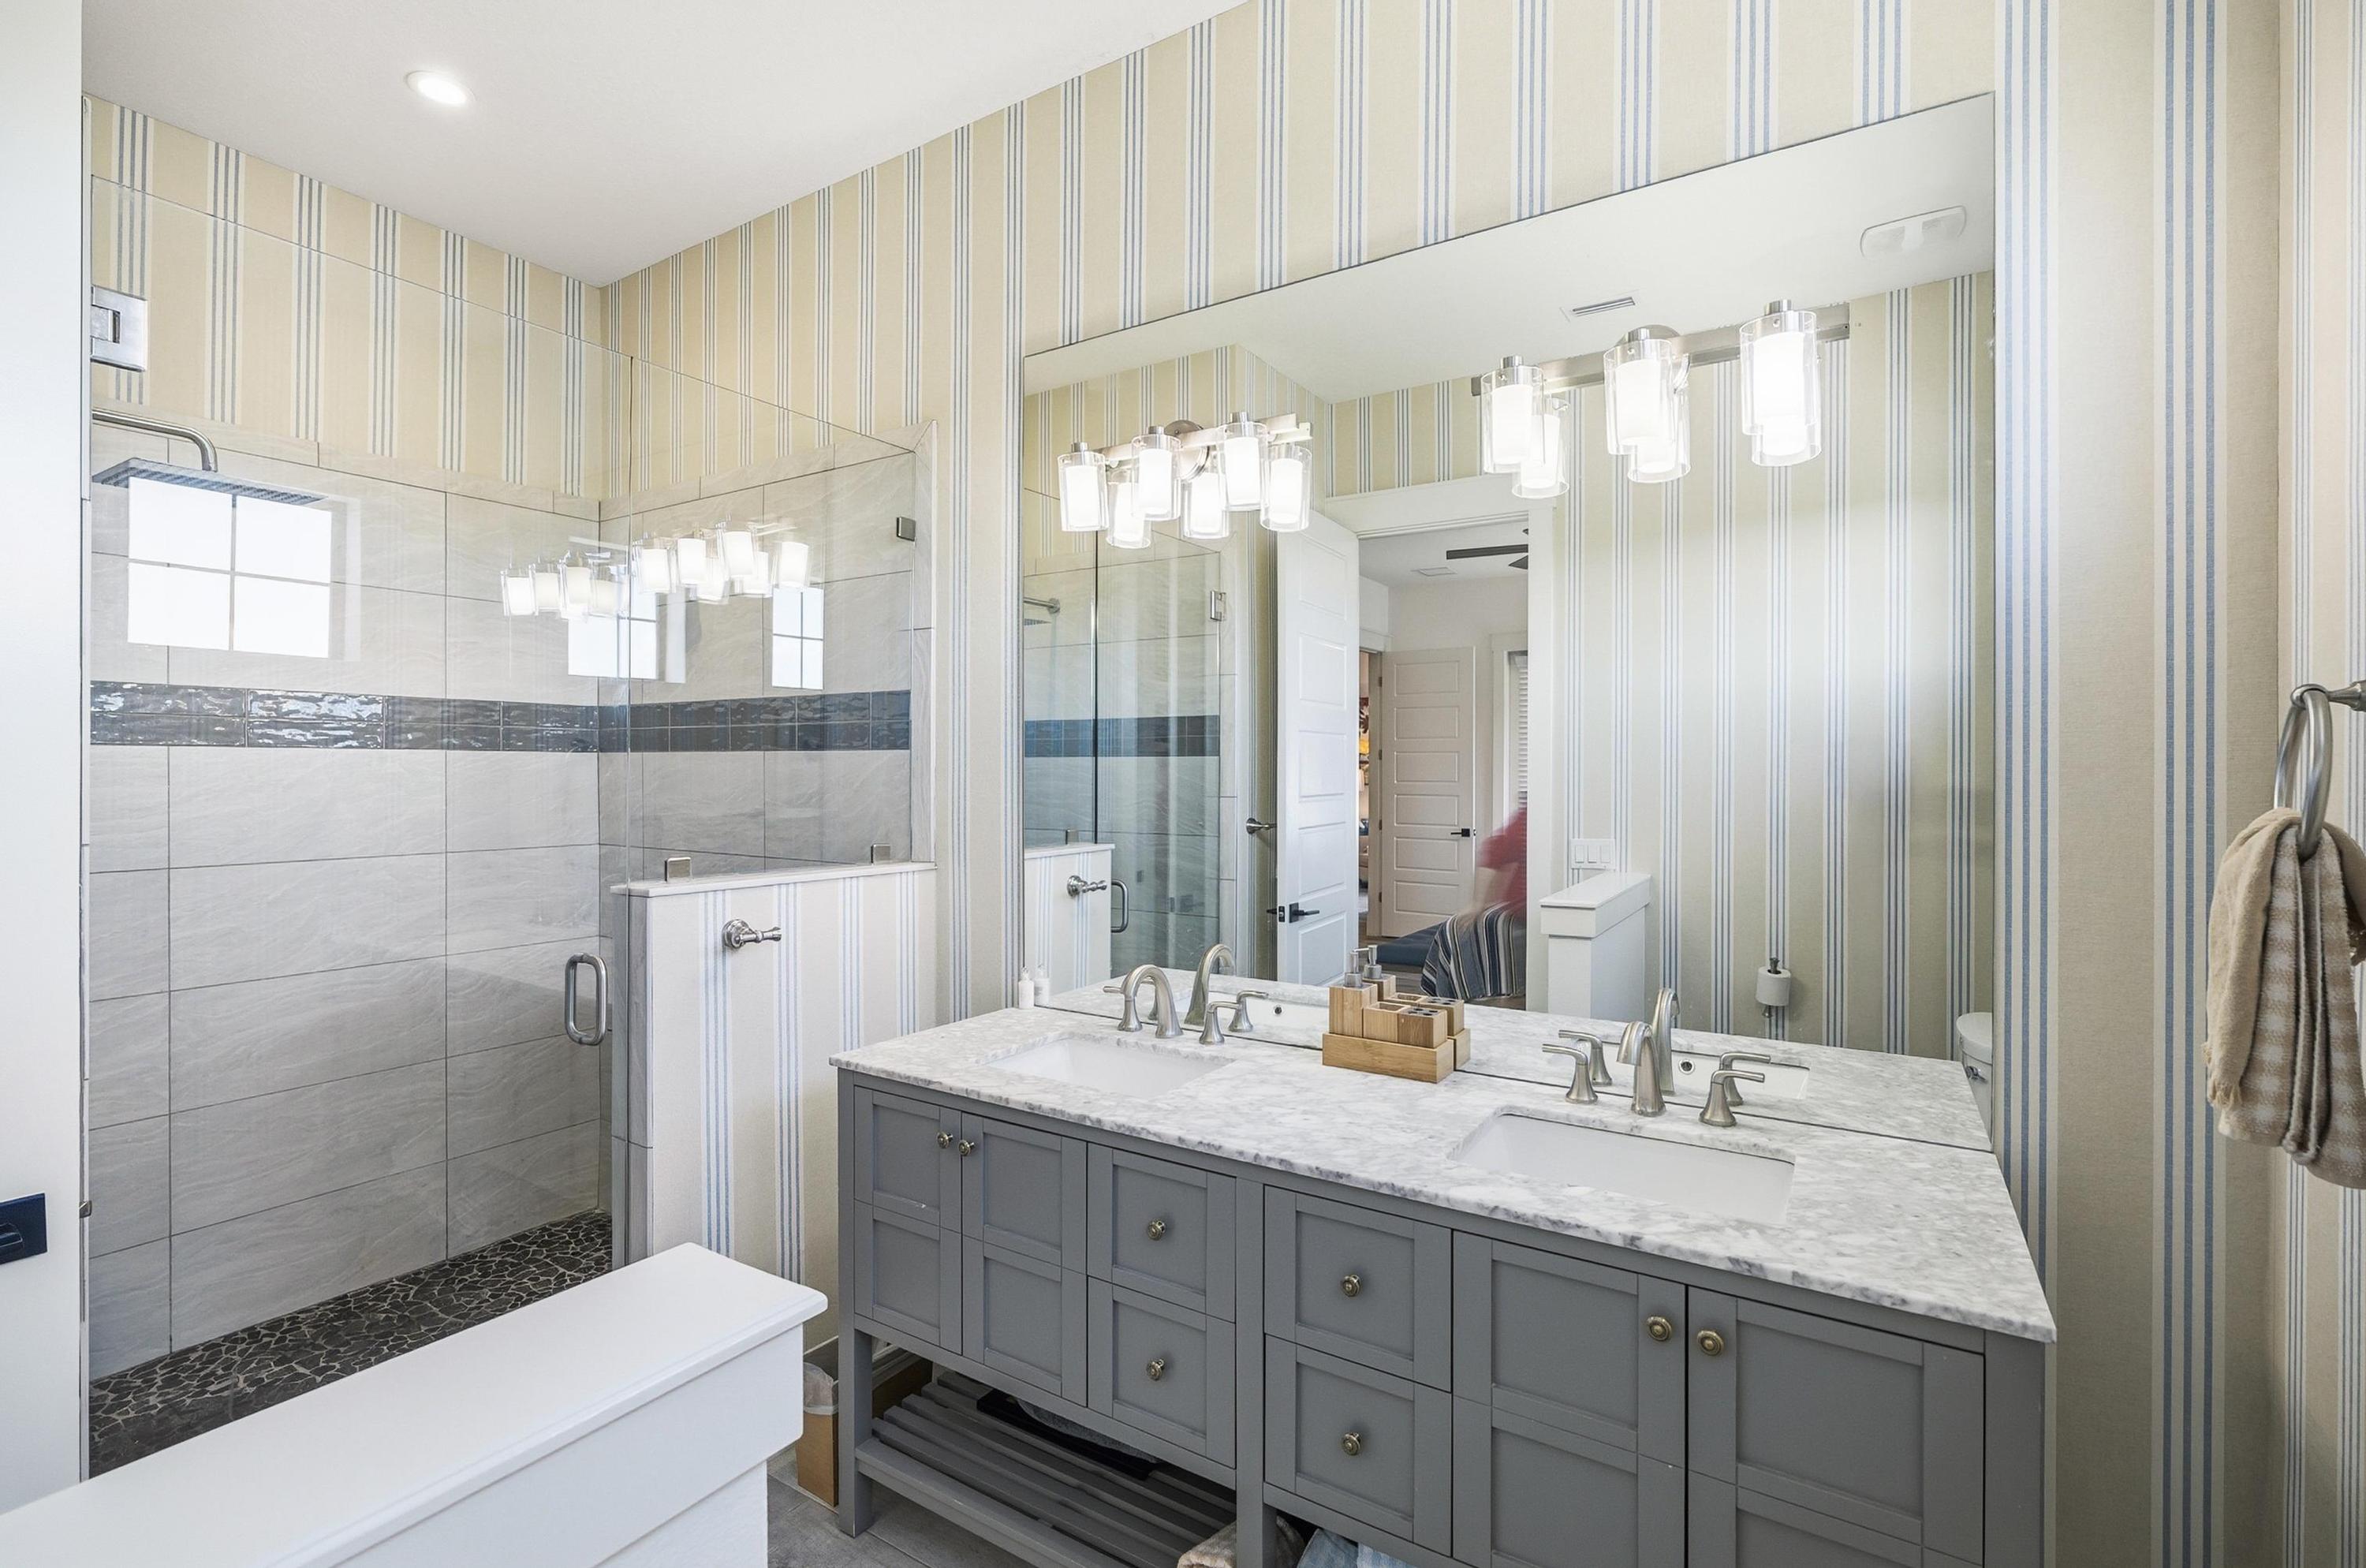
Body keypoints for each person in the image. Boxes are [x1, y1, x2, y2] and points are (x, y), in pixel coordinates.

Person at [1420, 800, 1527, 1002]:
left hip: (1527, 915)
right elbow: (1497, 851)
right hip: (1521, 913)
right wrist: (1477, 904)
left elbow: (1496, 851)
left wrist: (1479, 904)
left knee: (1457, 930)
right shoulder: (1530, 818)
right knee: (1456, 929)